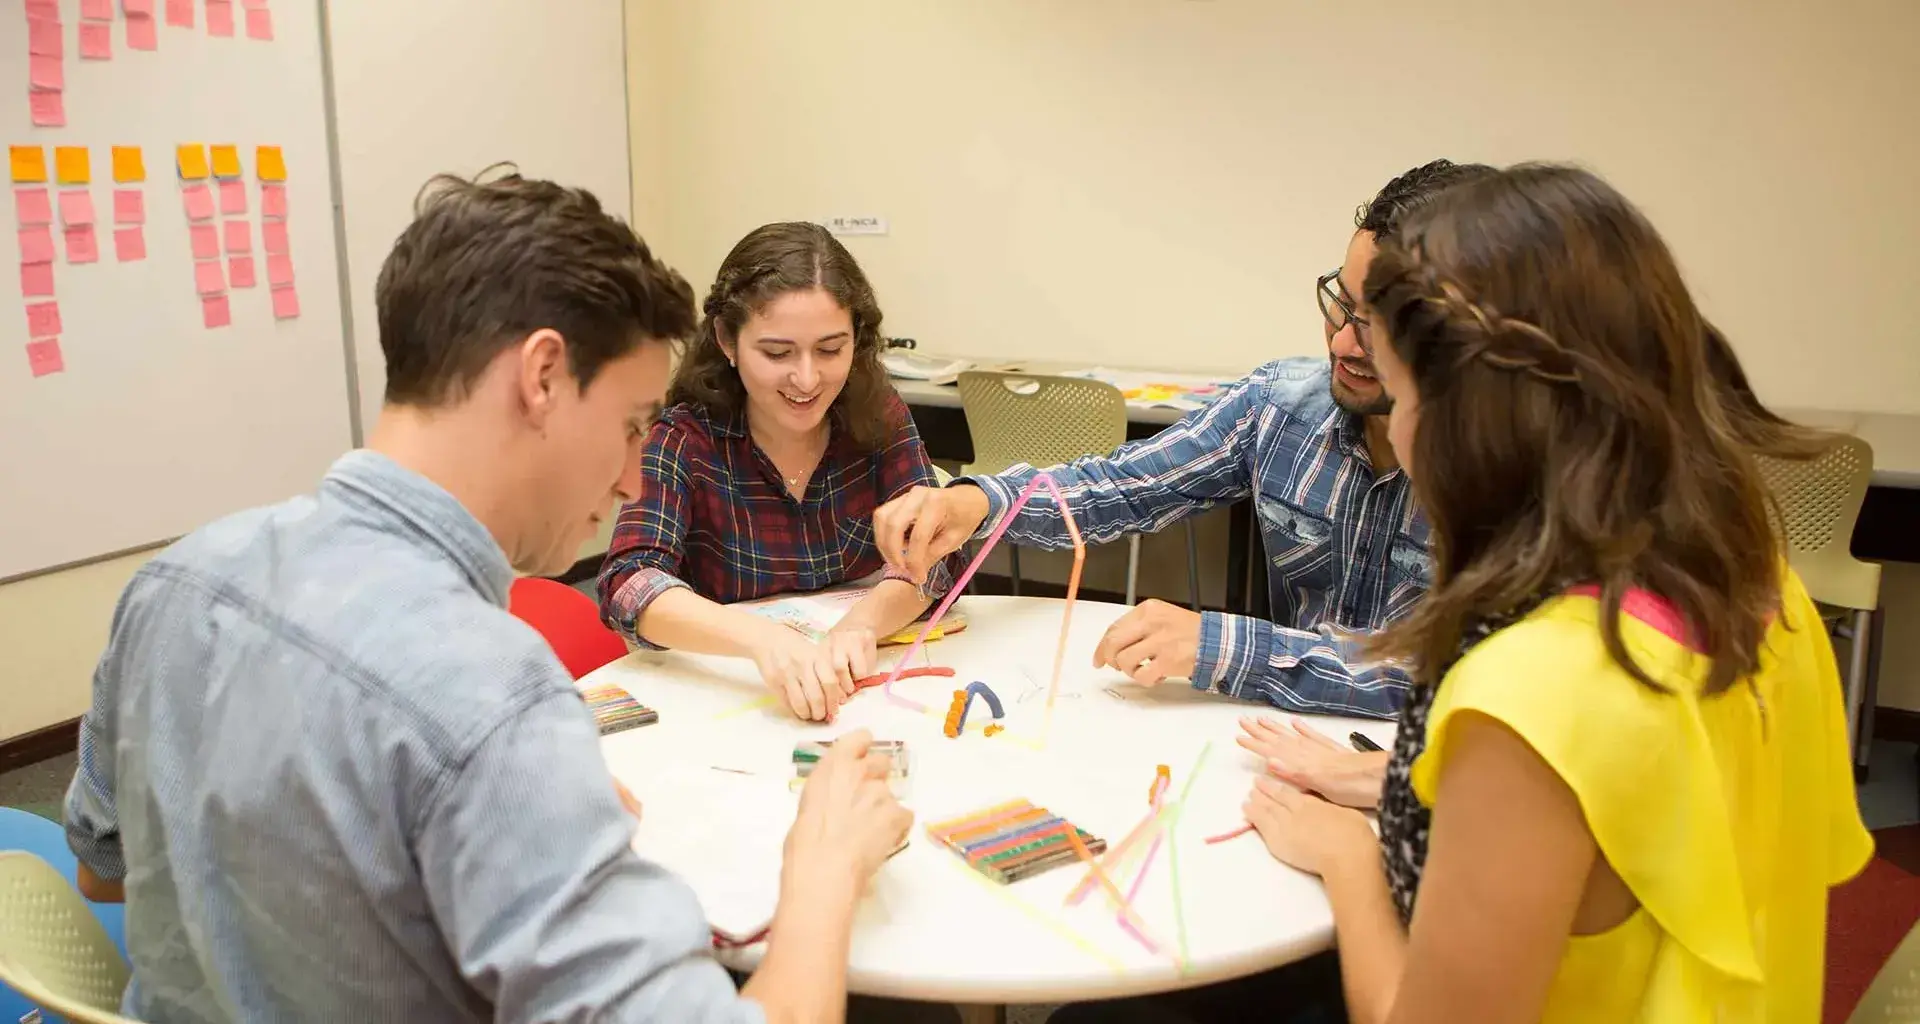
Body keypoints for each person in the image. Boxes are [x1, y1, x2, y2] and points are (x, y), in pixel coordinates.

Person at [62, 169, 913, 1024]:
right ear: (542, 375)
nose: (628, 477)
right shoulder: (495, 700)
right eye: (627, 423)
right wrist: (825, 868)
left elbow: (104, 869)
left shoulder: (176, 578)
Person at [1068, 164, 1874, 1022]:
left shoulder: (1529, 692)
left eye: (1402, 388)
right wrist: (1401, 782)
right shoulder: (1755, 582)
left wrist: (1349, 858)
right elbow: (1651, 830)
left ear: (1474, 418)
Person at [873, 160, 1494, 720]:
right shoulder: (1280, 407)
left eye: (1378, 325)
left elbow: (1463, 679)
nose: (1341, 343)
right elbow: (1122, 485)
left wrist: (1222, 646)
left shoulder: (1512, 473)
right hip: (1281, 741)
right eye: (1343, 305)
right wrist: (976, 502)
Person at [598, 221, 961, 722]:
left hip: (864, 690)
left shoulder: (879, 415)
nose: (807, 379)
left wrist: (861, 625)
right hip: (734, 696)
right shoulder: (684, 438)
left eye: (831, 349)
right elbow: (629, 583)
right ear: (727, 340)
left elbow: (934, 552)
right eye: (777, 353)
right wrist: (763, 642)